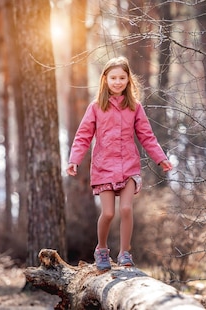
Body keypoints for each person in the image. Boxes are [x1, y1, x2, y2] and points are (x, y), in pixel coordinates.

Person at [66, 56, 173, 271]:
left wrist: (160, 157)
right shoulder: (96, 107)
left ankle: (125, 253)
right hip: (104, 167)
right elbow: (83, 136)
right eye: (113, 77)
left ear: (128, 80)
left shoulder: (135, 107)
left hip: (129, 168)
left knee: (125, 209)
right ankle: (102, 250)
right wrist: (74, 160)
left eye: (122, 78)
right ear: (105, 79)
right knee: (108, 213)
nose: (117, 82)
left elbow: (147, 136)